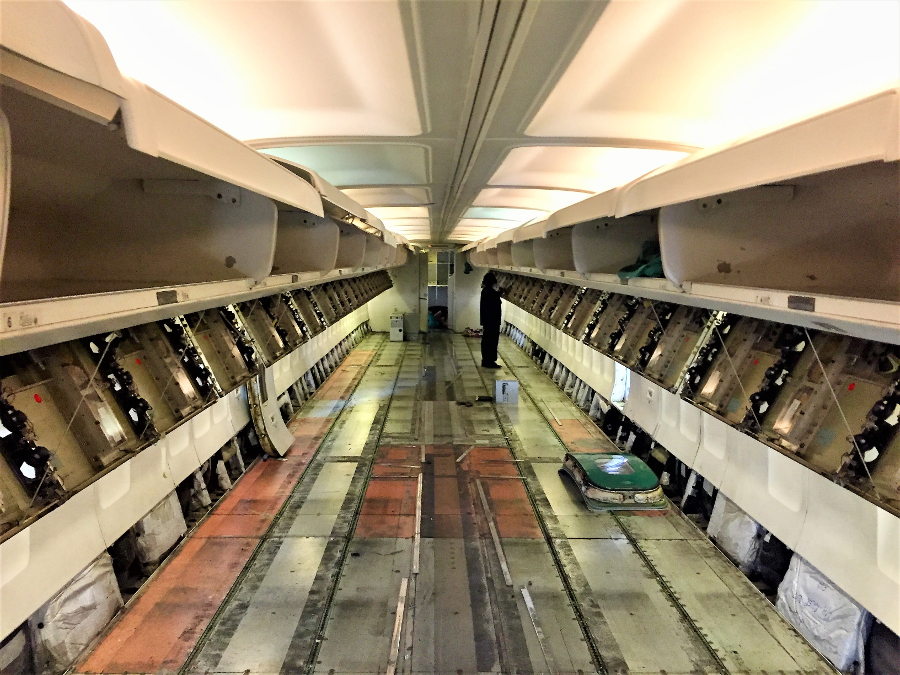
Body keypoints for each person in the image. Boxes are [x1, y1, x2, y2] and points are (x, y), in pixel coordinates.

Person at [480, 271, 502, 368]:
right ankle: (489, 361)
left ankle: (486, 360)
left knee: (486, 340)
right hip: (492, 321)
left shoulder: (485, 291)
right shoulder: (490, 292)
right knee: (492, 341)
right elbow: (495, 300)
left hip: (487, 321)